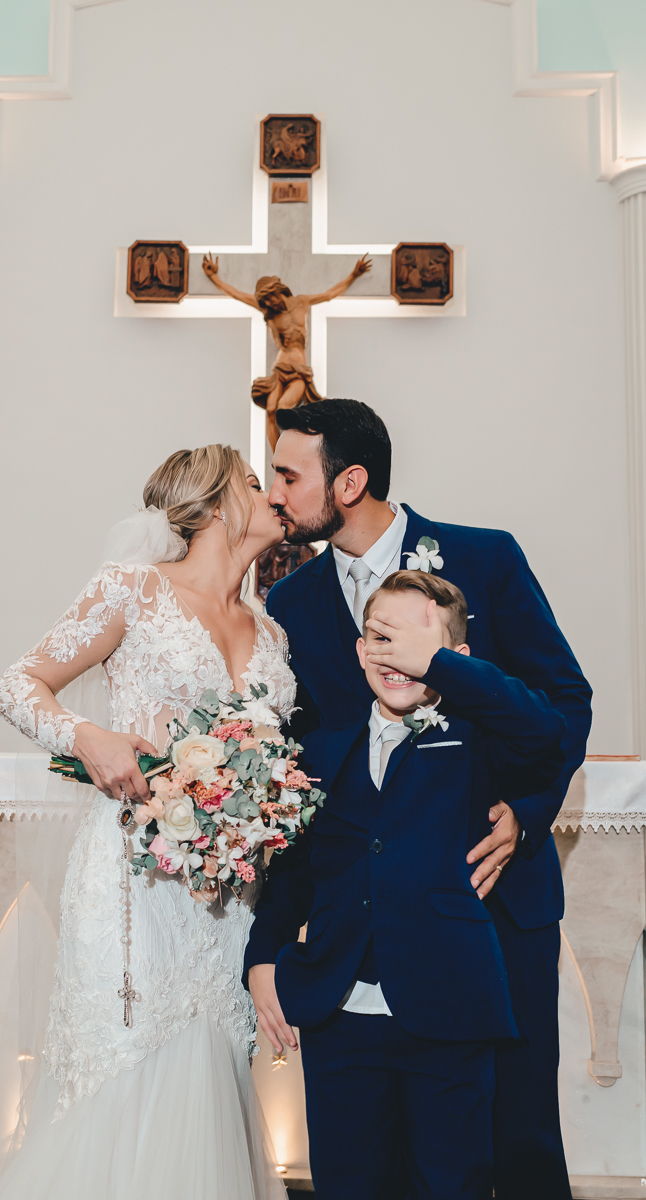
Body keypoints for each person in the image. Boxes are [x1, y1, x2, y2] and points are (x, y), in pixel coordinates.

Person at [0, 446, 293, 1200]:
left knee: (211, 1069)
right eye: (254, 481)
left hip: (229, 897)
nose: (272, 495)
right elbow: (19, 684)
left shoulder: (271, 633)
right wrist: (89, 737)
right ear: (213, 504)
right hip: (135, 877)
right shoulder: (134, 591)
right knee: (126, 1065)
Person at [259, 399, 593, 1200]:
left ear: (349, 482)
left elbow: (563, 700)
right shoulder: (291, 603)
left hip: (492, 898)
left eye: (287, 475)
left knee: (511, 1140)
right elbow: (303, 779)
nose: (274, 493)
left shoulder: (485, 559)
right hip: (369, 923)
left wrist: (527, 812)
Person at [201, 252, 371, 448]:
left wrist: (354, 275)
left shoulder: (302, 302)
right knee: (271, 410)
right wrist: (213, 277)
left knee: (284, 407)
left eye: (271, 299)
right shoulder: (270, 313)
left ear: (278, 291)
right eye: (266, 302)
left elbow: (329, 294)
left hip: (299, 369)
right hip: (280, 367)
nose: (270, 304)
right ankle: (276, 460)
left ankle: (294, 449)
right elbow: (237, 295)